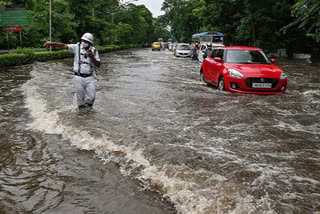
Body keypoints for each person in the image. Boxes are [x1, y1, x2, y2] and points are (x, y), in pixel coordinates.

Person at [44, 33, 101, 109]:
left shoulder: (94, 51)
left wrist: (92, 57)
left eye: (86, 41)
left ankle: (88, 111)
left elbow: (98, 64)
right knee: (80, 99)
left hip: (89, 78)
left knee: (92, 97)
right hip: (78, 77)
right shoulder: (76, 47)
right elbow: (64, 45)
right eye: (83, 40)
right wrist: (52, 43)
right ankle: (82, 115)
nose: (84, 42)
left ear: (90, 43)